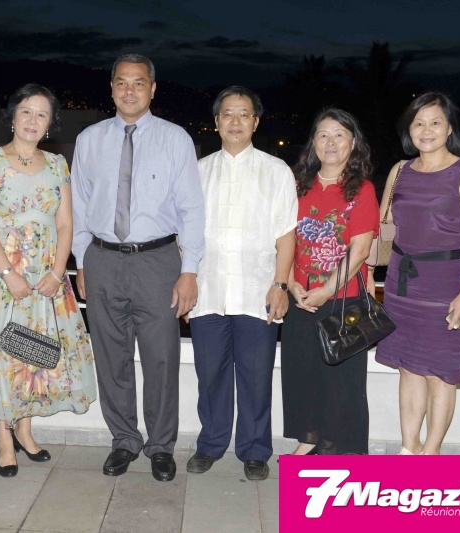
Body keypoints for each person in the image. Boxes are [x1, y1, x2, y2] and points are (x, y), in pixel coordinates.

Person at [71, 53, 205, 482]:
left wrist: (189, 269)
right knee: (111, 356)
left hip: (158, 261)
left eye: (139, 83)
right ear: (111, 88)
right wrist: (81, 260)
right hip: (102, 258)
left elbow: (191, 209)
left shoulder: (175, 139)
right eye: (122, 83)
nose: (130, 90)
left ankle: (161, 446)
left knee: (161, 357)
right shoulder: (89, 139)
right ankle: (124, 440)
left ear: (153, 88)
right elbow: (78, 205)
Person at [0, 84, 97, 477]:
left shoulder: (57, 165)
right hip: (1, 275)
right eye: (26, 112)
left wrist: (57, 272)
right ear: (12, 116)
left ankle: (25, 429)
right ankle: (5, 438)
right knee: (2, 351)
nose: (33, 120)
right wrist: (8, 274)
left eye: (42, 114)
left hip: (46, 278)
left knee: (33, 351)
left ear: (50, 123)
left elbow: (66, 224)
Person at [186, 87, 296, 481]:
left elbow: (286, 234)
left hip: (257, 291)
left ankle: (254, 450)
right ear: (216, 122)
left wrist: (280, 284)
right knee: (210, 374)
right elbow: (184, 234)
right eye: (228, 114)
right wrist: (186, 280)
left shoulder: (276, 171)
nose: (235, 121)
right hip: (208, 290)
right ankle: (211, 444)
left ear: (256, 122)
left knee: (256, 376)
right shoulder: (197, 171)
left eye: (243, 114)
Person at [373, 92, 460, 455]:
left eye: (435, 122)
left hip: (445, 285)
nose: (426, 130)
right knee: (408, 367)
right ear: (409, 130)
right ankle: (409, 448)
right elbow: (383, 229)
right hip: (400, 282)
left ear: (449, 128)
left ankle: (431, 452)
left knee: (440, 373)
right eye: (418, 123)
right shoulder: (399, 171)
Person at [281, 108, 379, 455]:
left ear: (353, 143)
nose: (331, 142)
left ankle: (337, 447)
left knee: (342, 381)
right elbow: (283, 239)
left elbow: (360, 249)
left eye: (339, 135)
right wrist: (290, 283)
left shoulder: (361, 189)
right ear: (313, 143)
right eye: (323, 134)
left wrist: (325, 290)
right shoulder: (297, 186)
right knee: (302, 373)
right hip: (300, 296)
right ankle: (308, 439)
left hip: (342, 300)